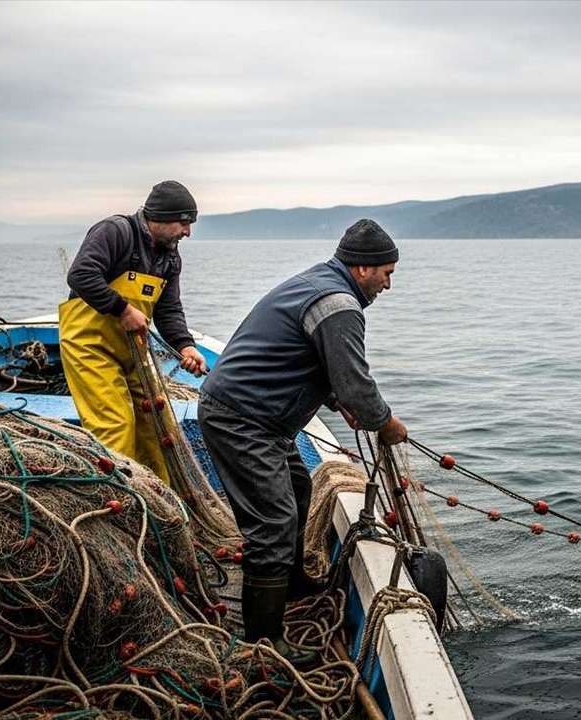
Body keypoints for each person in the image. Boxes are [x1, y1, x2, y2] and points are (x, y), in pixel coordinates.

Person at [198, 219, 407, 662]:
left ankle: (290, 582)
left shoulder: (319, 282)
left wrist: (335, 399)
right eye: (387, 273)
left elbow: (307, 358)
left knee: (298, 487)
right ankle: (263, 639)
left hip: (259, 417)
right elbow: (355, 382)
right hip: (243, 418)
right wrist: (384, 422)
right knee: (272, 522)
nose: (389, 284)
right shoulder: (340, 305)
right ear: (364, 268)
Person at [60, 180, 208, 483]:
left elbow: (168, 311)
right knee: (115, 424)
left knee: (157, 423)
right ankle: (121, 501)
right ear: (161, 216)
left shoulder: (170, 257)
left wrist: (186, 346)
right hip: (90, 347)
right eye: (183, 223)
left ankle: (158, 499)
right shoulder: (115, 232)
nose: (187, 232)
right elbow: (81, 275)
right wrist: (123, 309)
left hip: (133, 351)